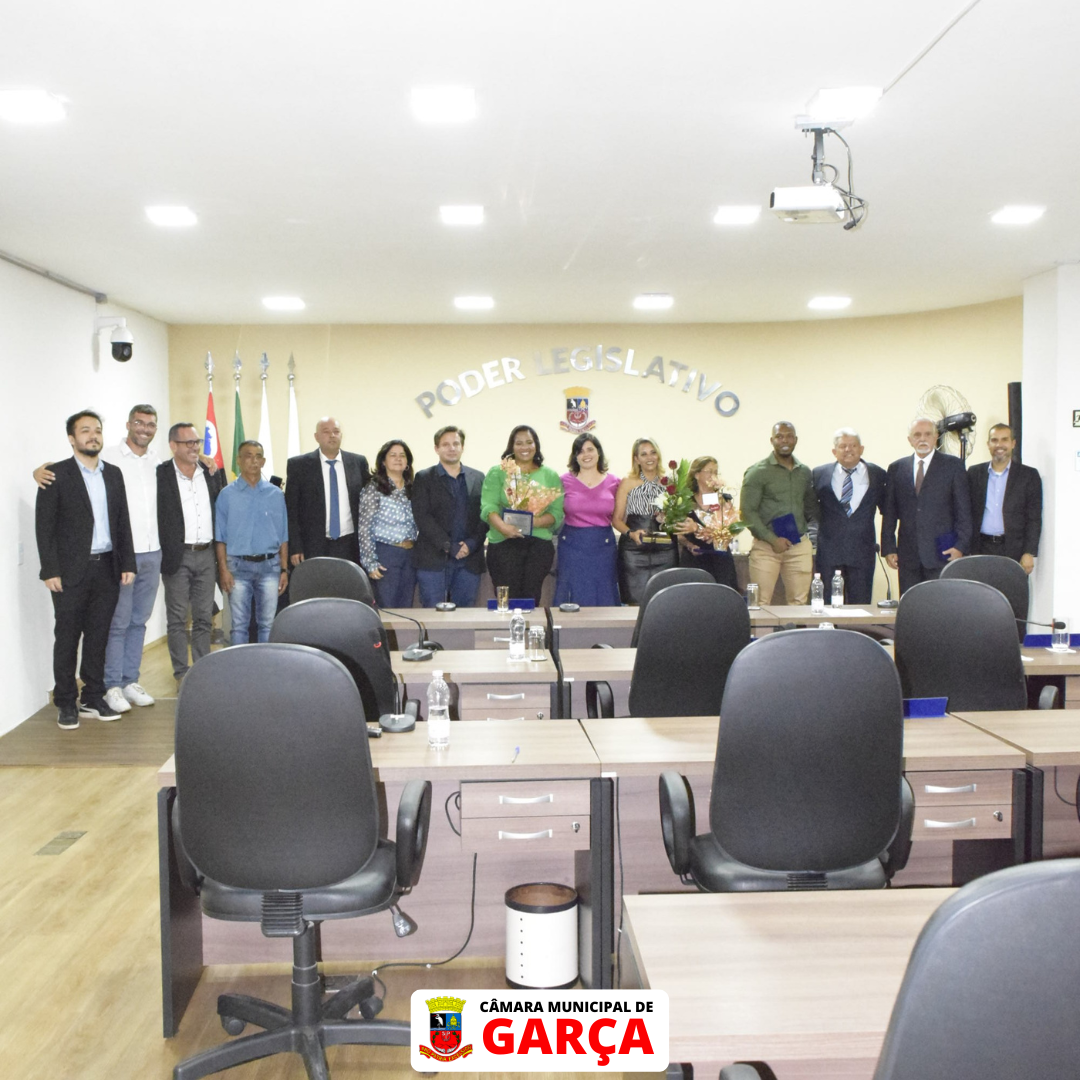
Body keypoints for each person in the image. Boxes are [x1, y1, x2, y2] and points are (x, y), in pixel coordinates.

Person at [33, 403, 165, 716]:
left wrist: (127, 563)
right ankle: (66, 702)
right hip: (69, 572)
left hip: (107, 568)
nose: (93, 436)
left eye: (97, 431)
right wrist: (50, 569)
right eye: (85, 431)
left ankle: (92, 697)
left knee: (98, 637)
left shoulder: (113, 473)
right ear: (71, 438)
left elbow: (122, 522)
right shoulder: (55, 475)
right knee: (67, 639)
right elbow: (44, 526)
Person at [157, 421, 226, 685]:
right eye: (188, 443)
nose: (194, 447)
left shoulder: (211, 472)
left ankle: (201, 670)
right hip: (177, 554)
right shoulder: (160, 474)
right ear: (173, 445)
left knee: (204, 617)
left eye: (196, 442)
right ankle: (181, 673)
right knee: (176, 619)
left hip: (207, 554)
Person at [881, 417, 972, 594]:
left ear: (936, 437)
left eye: (928, 434)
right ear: (910, 440)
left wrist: (961, 546)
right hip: (908, 555)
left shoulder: (953, 466)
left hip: (943, 553)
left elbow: (964, 511)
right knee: (911, 605)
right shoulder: (896, 468)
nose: (922, 439)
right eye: (917, 435)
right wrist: (889, 548)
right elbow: (890, 512)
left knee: (940, 605)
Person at [481, 425, 565, 604]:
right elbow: (488, 506)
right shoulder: (498, 472)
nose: (524, 447)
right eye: (518, 443)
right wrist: (504, 528)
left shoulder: (549, 475)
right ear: (511, 446)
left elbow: (556, 514)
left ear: (536, 445)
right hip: (503, 542)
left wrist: (533, 522)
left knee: (530, 598)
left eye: (529, 442)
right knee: (506, 600)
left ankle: (528, 624)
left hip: (537, 546)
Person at [215, 441, 289, 643]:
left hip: (270, 567)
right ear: (239, 460)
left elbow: (283, 536)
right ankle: (240, 664)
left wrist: (284, 570)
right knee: (239, 625)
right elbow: (220, 538)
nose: (253, 461)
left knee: (268, 624)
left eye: (258, 456)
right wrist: (223, 570)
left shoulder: (276, 494)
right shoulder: (226, 495)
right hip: (237, 568)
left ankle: (264, 663)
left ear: (263, 462)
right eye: (248, 456)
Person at [740, 421, 819, 605]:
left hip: (799, 547)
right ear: (772, 440)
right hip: (766, 547)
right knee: (760, 603)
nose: (785, 440)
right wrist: (772, 540)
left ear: (796, 440)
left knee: (799, 603)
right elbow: (747, 512)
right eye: (779, 436)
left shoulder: (804, 472)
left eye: (789, 436)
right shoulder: (757, 472)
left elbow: (810, 508)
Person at [410, 426, 487, 607]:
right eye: (445, 444)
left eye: (456, 444)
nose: (451, 448)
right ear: (436, 448)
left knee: (465, 615)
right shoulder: (424, 477)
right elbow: (422, 517)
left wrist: (471, 544)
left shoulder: (478, 477)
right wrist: (448, 545)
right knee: (432, 613)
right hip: (433, 559)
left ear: (462, 447)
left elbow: (485, 515)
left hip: (469, 559)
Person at [812, 428, 888, 604]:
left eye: (853, 445)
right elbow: (810, 510)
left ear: (861, 449)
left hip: (862, 551)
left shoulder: (878, 474)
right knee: (827, 605)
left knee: (861, 605)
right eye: (843, 446)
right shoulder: (819, 474)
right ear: (834, 451)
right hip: (829, 551)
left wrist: (888, 546)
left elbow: (888, 511)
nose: (848, 450)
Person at [285, 416, 370, 567]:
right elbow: (292, 510)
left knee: (349, 582)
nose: (332, 435)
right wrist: (296, 546)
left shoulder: (358, 462)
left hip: (350, 544)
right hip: (313, 545)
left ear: (341, 435)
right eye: (326, 432)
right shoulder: (299, 465)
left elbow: (367, 504)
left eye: (336, 431)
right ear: (316, 437)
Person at [555, 433, 621, 606]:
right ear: (575, 456)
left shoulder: (615, 482)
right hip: (571, 546)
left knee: (604, 591)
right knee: (572, 591)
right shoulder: (563, 481)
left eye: (590, 449)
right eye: (580, 451)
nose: (586, 455)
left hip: (603, 547)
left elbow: (621, 517)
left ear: (599, 452)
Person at [967, 423, 1042, 573]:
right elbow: (966, 511)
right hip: (980, 548)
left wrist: (1029, 552)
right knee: (980, 588)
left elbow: (1033, 517)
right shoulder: (974, 473)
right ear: (988, 444)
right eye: (994, 440)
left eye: (1004, 440)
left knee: (1011, 588)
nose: (999, 445)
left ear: (1013, 443)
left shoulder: (1029, 476)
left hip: (1014, 550)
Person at [613, 437, 678, 604]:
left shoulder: (669, 483)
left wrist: (667, 518)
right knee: (634, 602)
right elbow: (617, 520)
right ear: (636, 459)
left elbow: (677, 517)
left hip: (665, 549)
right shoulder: (627, 483)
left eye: (653, 453)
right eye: (644, 454)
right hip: (634, 549)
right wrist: (631, 533)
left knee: (666, 602)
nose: (649, 458)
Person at [357, 439, 419, 607]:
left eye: (402, 455)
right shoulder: (374, 488)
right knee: (387, 608)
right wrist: (370, 562)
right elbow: (364, 527)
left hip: (410, 554)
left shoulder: (413, 487)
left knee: (406, 608)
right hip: (385, 553)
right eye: (393, 455)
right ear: (383, 461)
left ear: (408, 462)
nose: (398, 459)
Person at [674, 456, 739, 591]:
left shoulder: (724, 501)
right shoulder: (685, 501)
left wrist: (705, 531)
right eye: (709, 471)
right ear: (697, 475)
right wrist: (689, 545)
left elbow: (730, 531)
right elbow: (679, 534)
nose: (713, 476)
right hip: (694, 560)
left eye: (716, 472)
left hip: (720, 561)